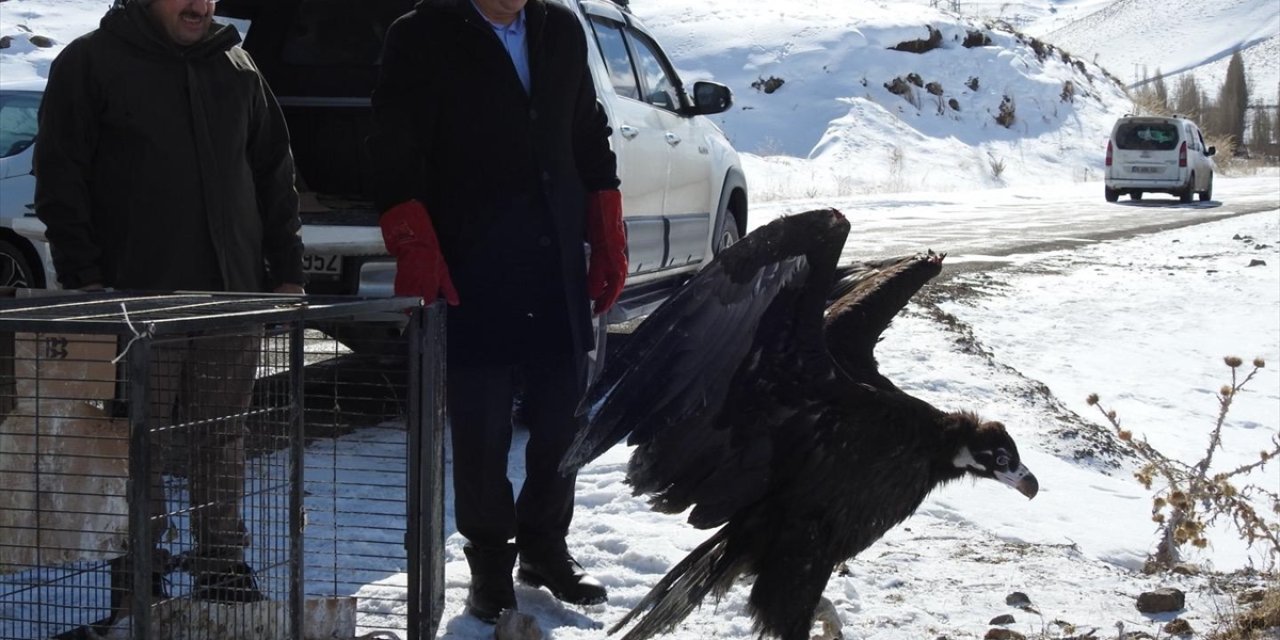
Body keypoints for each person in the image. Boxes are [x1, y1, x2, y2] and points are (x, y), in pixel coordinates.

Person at [34, 0, 305, 609]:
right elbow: (60, 173)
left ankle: (222, 568)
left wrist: (285, 269)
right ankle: (138, 574)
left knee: (221, 437)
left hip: (231, 297)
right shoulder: (91, 62)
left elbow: (273, 171)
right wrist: (86, 279)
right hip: (134, 301)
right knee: (136, 439)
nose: (200, 4)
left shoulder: (237, 65)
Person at [368, 0, 626, 623]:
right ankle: (489, 567)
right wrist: (413, 241)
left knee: (563, 422)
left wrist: (607, 225)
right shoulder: (421, 34)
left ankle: (545, 549)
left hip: (554, 266)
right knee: (481, 435)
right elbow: (390, 148)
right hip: (470, 270)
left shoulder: (560, 28)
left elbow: (587, 132)